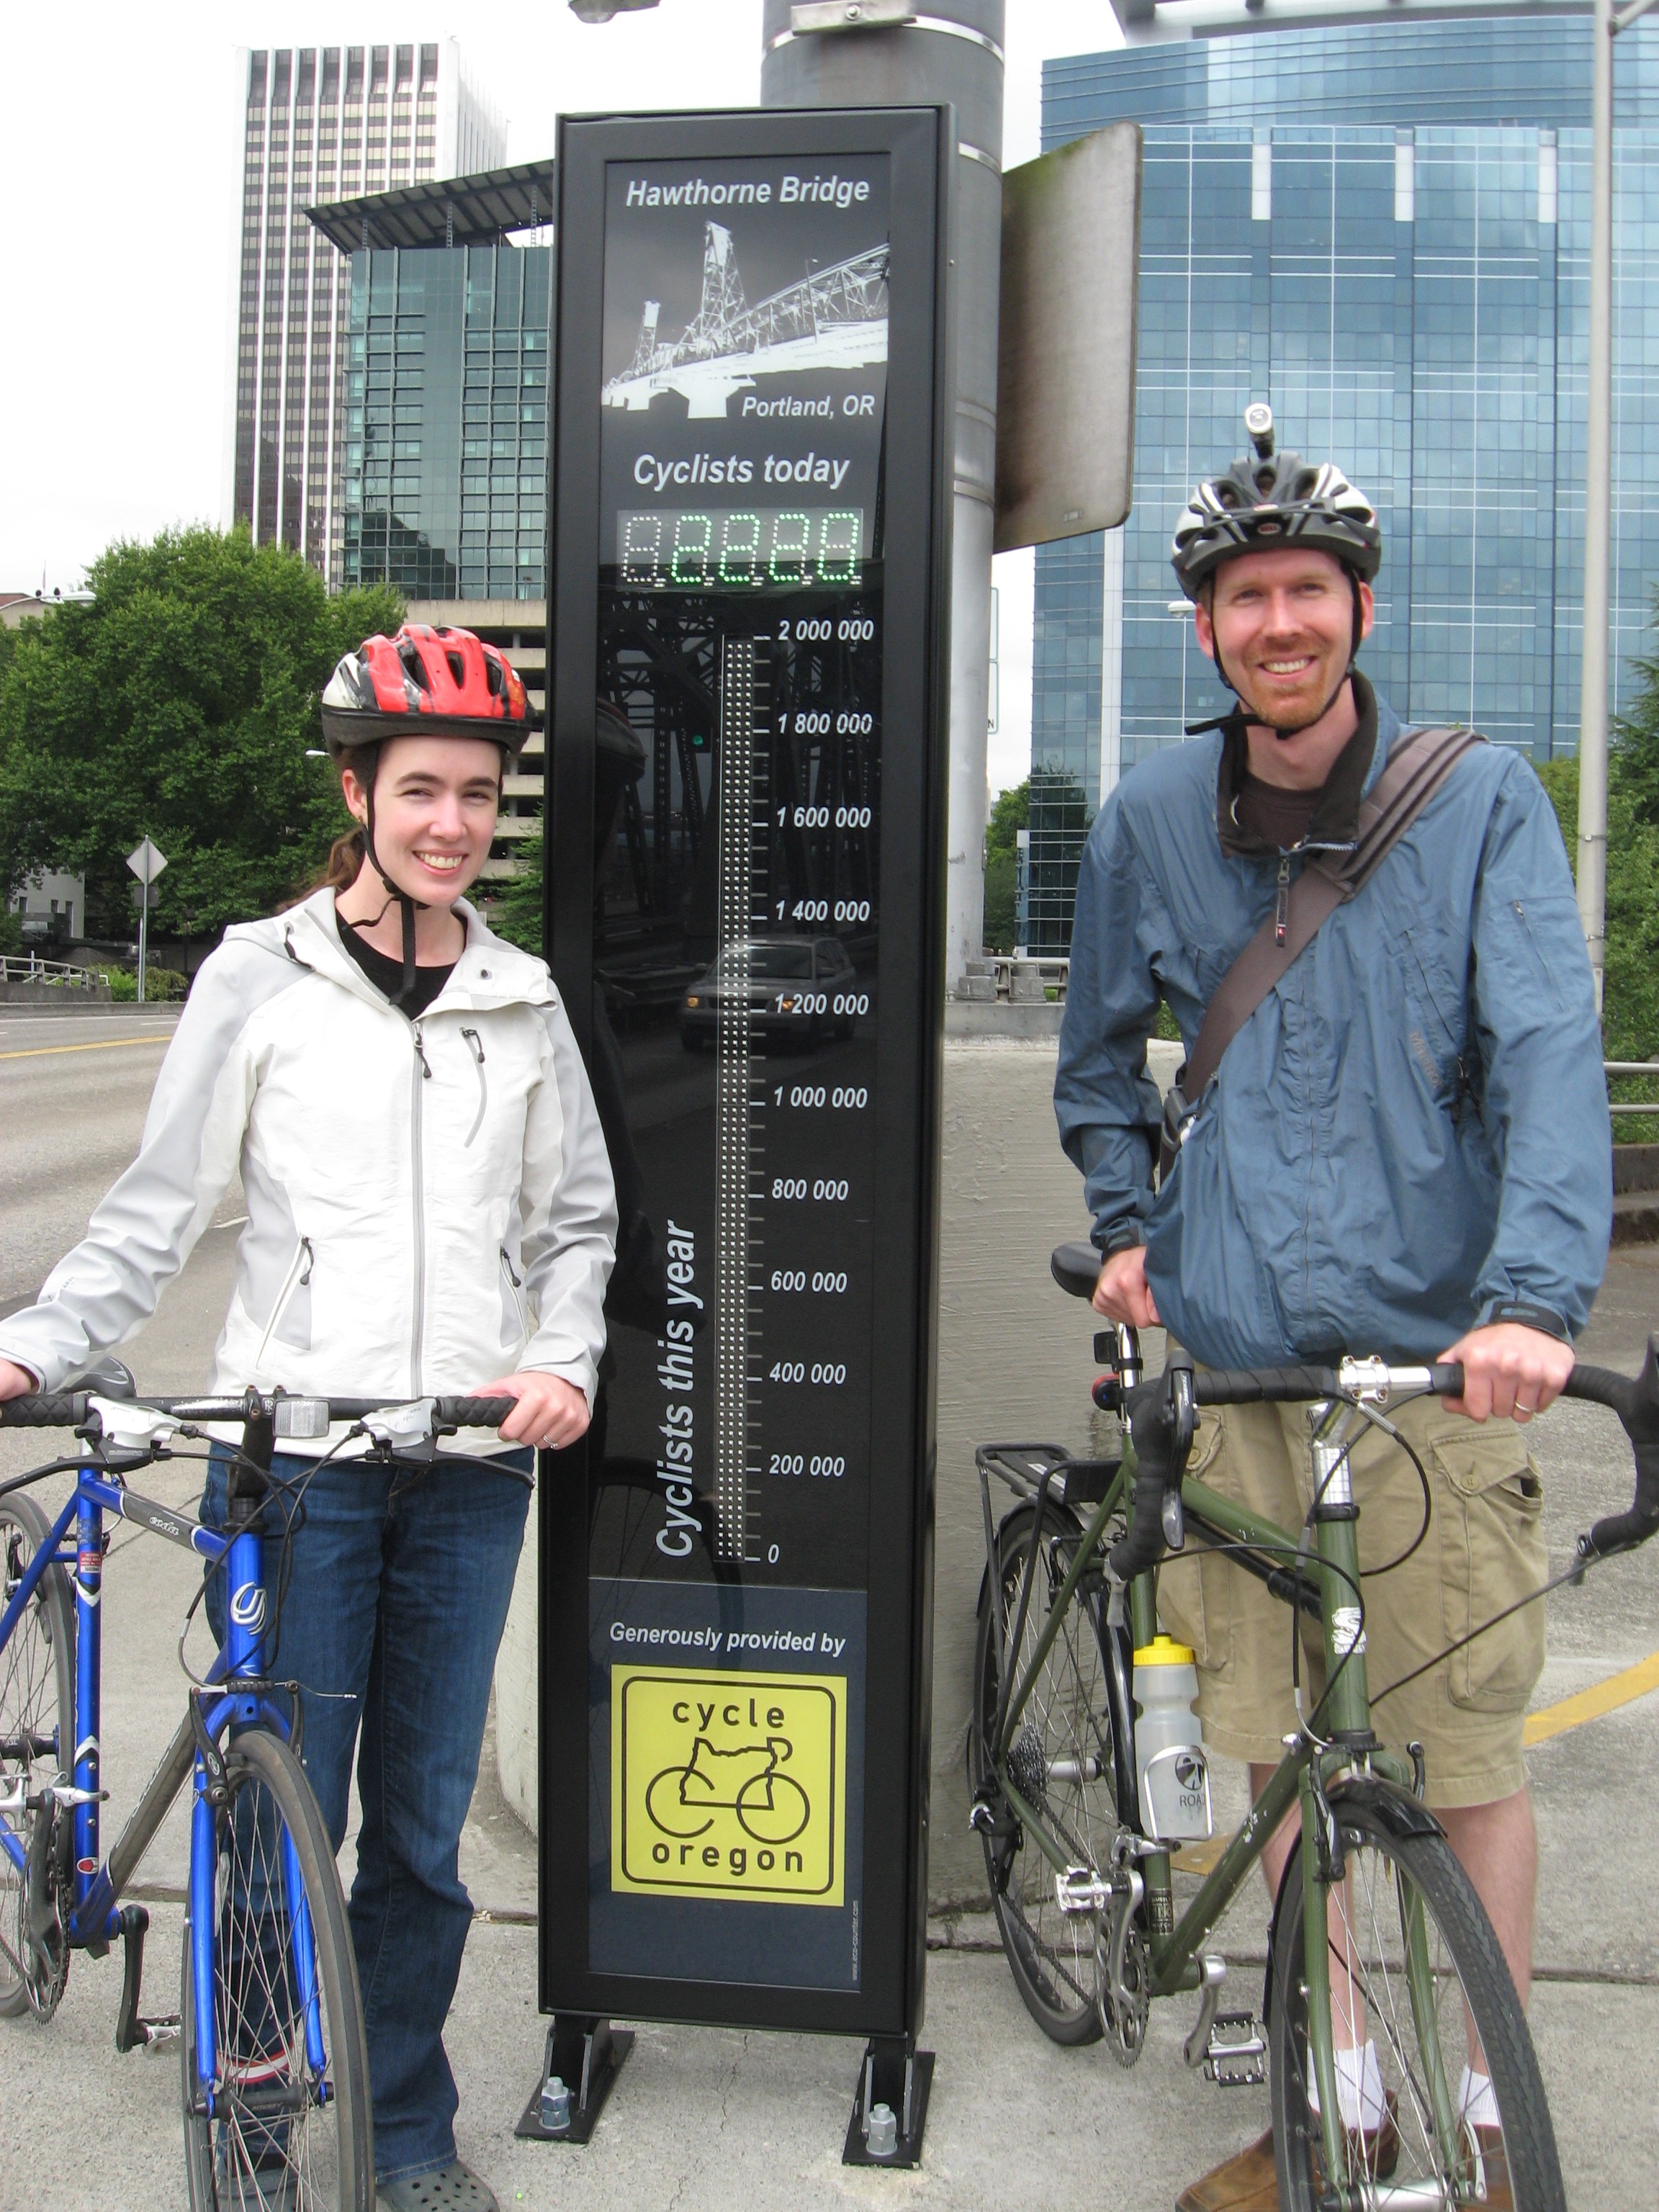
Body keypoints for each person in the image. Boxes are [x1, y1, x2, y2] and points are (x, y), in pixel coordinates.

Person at [1054, 412, 1609, 2212]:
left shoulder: (1480, 802)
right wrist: (1128, 1228)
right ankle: (1343, 2103)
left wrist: (1533, 1303)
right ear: (1205, 630)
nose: (1279, 623)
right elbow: (1097, 1065)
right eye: (1246, 599)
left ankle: (1491, 2123)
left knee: (1462, 1761)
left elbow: (1550, 1053)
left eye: (1309, 591)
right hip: (1238, 1364)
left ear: (1363, 611)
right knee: (1289, 1751)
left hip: (1438, 1365)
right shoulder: (1148, 819)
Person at [0, 622, 617, 2212]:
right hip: (298, 1468)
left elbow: (574, 1227)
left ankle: (404, 2126)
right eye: (420, 791)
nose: (452, 825)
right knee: (281, 1810)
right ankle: (258, 2111)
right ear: (358, 793)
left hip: (467, 1461)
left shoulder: (522, 998)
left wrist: (561, 1359)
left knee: (418, 1832)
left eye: (477, 795)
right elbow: (160, 1207)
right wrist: (40, 1343)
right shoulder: (255, 975)